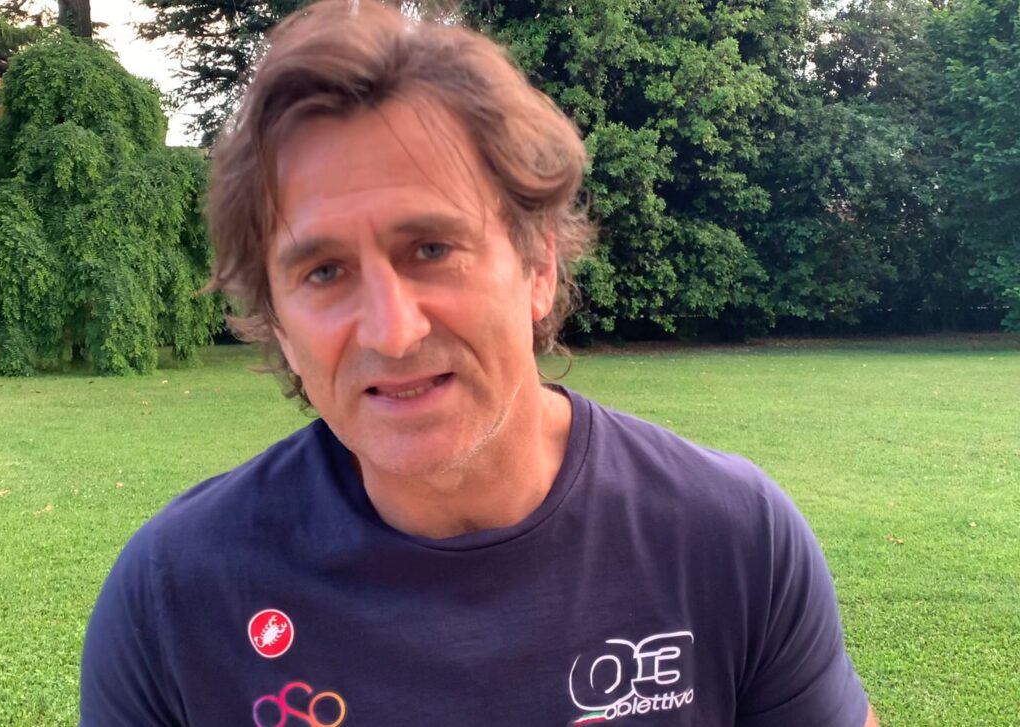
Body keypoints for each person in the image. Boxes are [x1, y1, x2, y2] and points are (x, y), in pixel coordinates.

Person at [80, 2, 878, 725]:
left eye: (431, 248)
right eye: (323, 272)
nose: (392, 331)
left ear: (539, 265)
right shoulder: (174, 601)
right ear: (281, 326)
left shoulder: (730, 541)